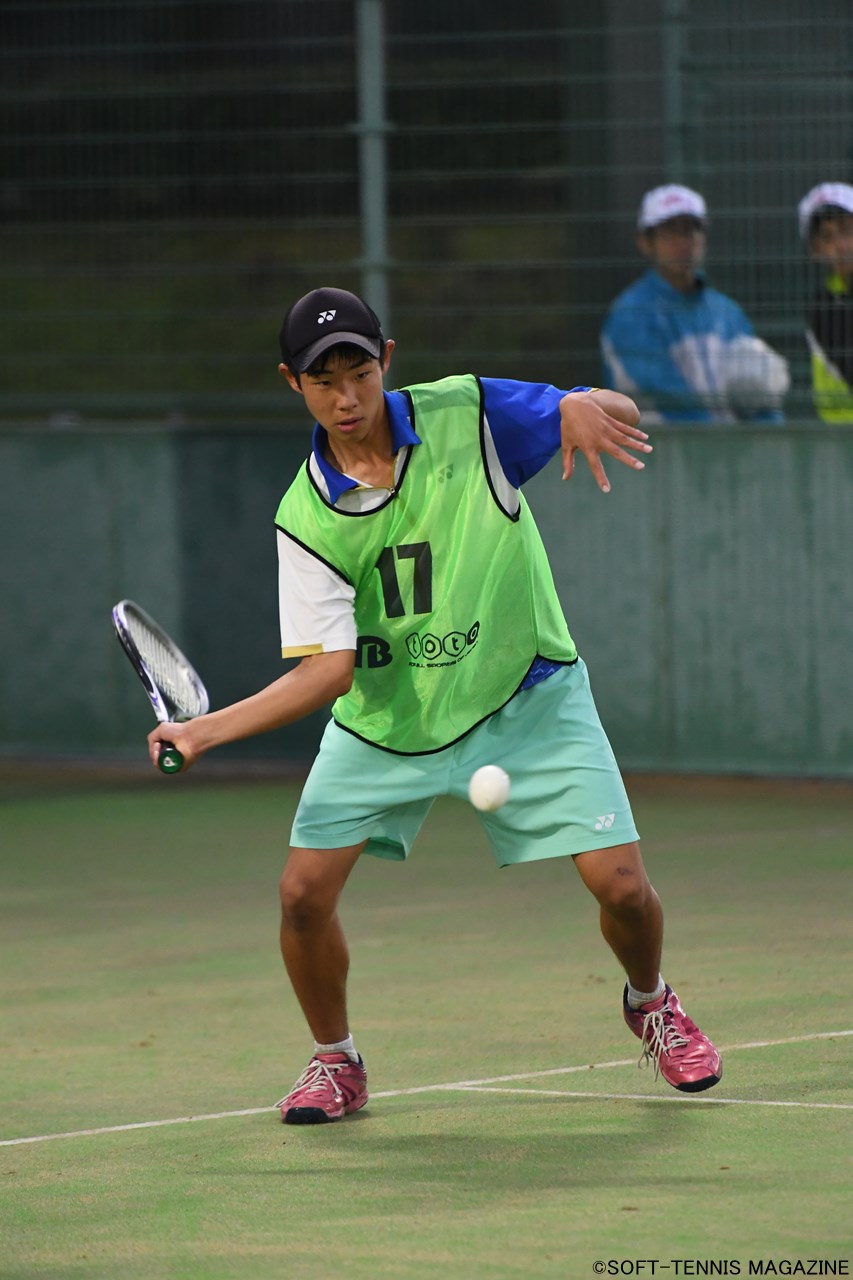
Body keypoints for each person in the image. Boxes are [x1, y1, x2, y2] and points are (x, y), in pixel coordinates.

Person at [148, 286, 722, 1124]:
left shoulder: (468, 414)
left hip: (526, 693)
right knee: (302, 895)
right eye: (323, 381)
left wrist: (593, 407)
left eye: (358, 371)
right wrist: (204, 732)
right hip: (389, 722)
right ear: (292, 384)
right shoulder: (304, 515)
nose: (346, 397)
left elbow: (590, 409)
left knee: (624, 889)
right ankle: (335, 1063)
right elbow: (327, 673)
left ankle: (651, 1002)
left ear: (387, 360)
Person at [601, 183, 788, 423]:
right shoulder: (630, 314)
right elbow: (666, 398)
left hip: (728, 454)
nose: (682, 242)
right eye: (670, 232)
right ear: (645, 242)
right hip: (656, 454)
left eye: (690, 230)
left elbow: (758, 392)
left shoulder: (728, 313)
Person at [798, 181, 853, 423]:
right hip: (840, 444)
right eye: (827, 237)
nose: (841, 246)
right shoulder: (823, 307)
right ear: (816, 249)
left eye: (847, 230)